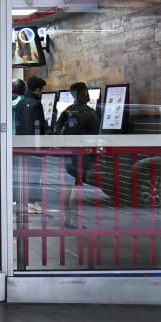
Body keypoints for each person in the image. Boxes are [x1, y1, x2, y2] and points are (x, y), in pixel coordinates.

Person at [54, 82, 100, 228]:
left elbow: (56, 128)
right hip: (83, 152)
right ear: (79, 94)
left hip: (70, 151)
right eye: (85, 92)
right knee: (78, 185)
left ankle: (68, 217)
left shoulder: (68, 110)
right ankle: (73, 219)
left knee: (72, 183)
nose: (87, 95)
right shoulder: (87, 112)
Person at [16, 76, 47, 215]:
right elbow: (37, 127)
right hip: (34, 145)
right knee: (35, 174)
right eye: (42, 90)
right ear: (37, 89)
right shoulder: (36, 104)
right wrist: (39, 145)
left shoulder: (21, 103)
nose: (42, 92)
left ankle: (22, 201)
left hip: (22, 144)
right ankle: (32, 202)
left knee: (24, 174)